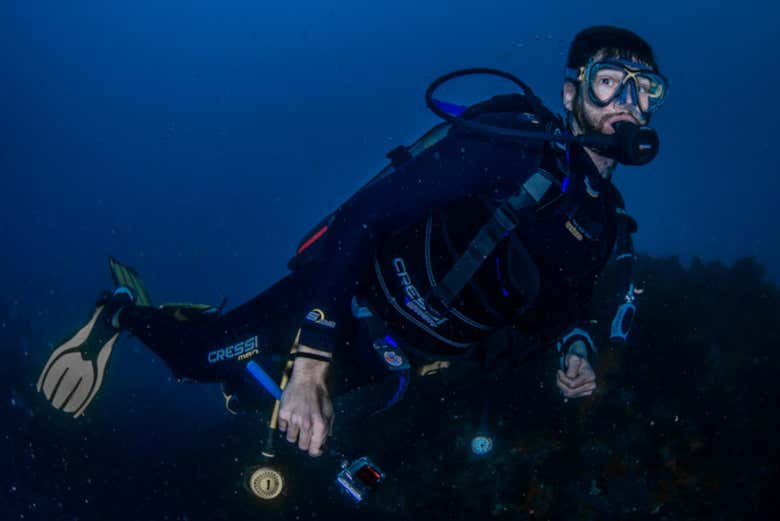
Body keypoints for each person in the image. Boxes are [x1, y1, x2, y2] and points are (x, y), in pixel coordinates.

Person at [37, 25, 668, 459]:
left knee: (254, 402)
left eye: (648, 90)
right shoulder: (513, 142)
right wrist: (311, 362)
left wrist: (575, 349)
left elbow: (570, 305)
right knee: (200, 363)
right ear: (572, 91)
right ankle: (120, 310)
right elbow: (362, 219)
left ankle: (228, 351)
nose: (630, 102)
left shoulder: (605, 223)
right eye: (611, 81)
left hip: (397, 363)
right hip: (347, 302)